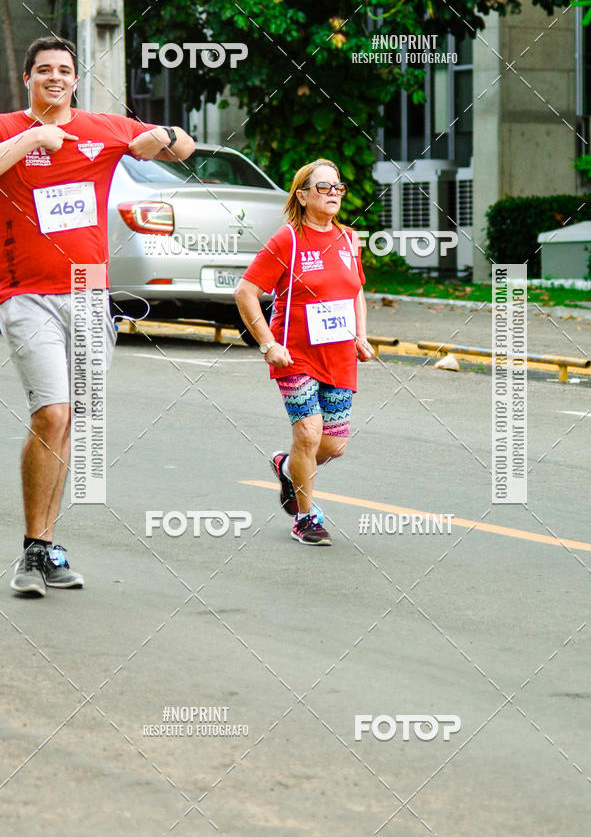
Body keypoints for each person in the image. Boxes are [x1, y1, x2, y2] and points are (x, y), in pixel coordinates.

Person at [0, 36, 195, 596]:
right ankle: (34, 552)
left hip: (89, 291)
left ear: (76, 80)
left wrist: (165, 136)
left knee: (75, 421)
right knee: (52, 414)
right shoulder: (10, 126)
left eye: (64, 70)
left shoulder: (102, 129)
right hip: (25, 290)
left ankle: (45, 546)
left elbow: (181, 147)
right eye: (44, 71)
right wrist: (35, 136)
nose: (54, 78)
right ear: (28, 79)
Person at [235, 158, 374, 546]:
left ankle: (285, 467)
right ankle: (306, 517)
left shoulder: (349, 239)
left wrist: (362, 335)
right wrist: (267, 344)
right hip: (294, 356)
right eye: (324, 187)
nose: (333, 194)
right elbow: (245, 292)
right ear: (302, 195)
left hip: (340, 356)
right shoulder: (288, 239)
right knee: (309, 435)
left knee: (333, 445)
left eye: (338, 188)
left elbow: (356, 290)